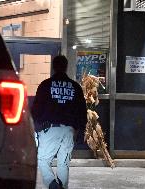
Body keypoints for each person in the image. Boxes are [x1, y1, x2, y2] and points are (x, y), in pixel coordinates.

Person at [31, 55, 87, 189]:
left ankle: (52, 184)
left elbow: (36, 108)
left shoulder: (45, 85)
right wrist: (80, 129)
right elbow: (81, 110)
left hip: (49, 129)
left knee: (43, 160)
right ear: (66, 67)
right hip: (69, 130)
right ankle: (61, 186)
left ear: (53, 67)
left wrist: (36, 125)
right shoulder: (75, 87)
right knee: (63, 163)